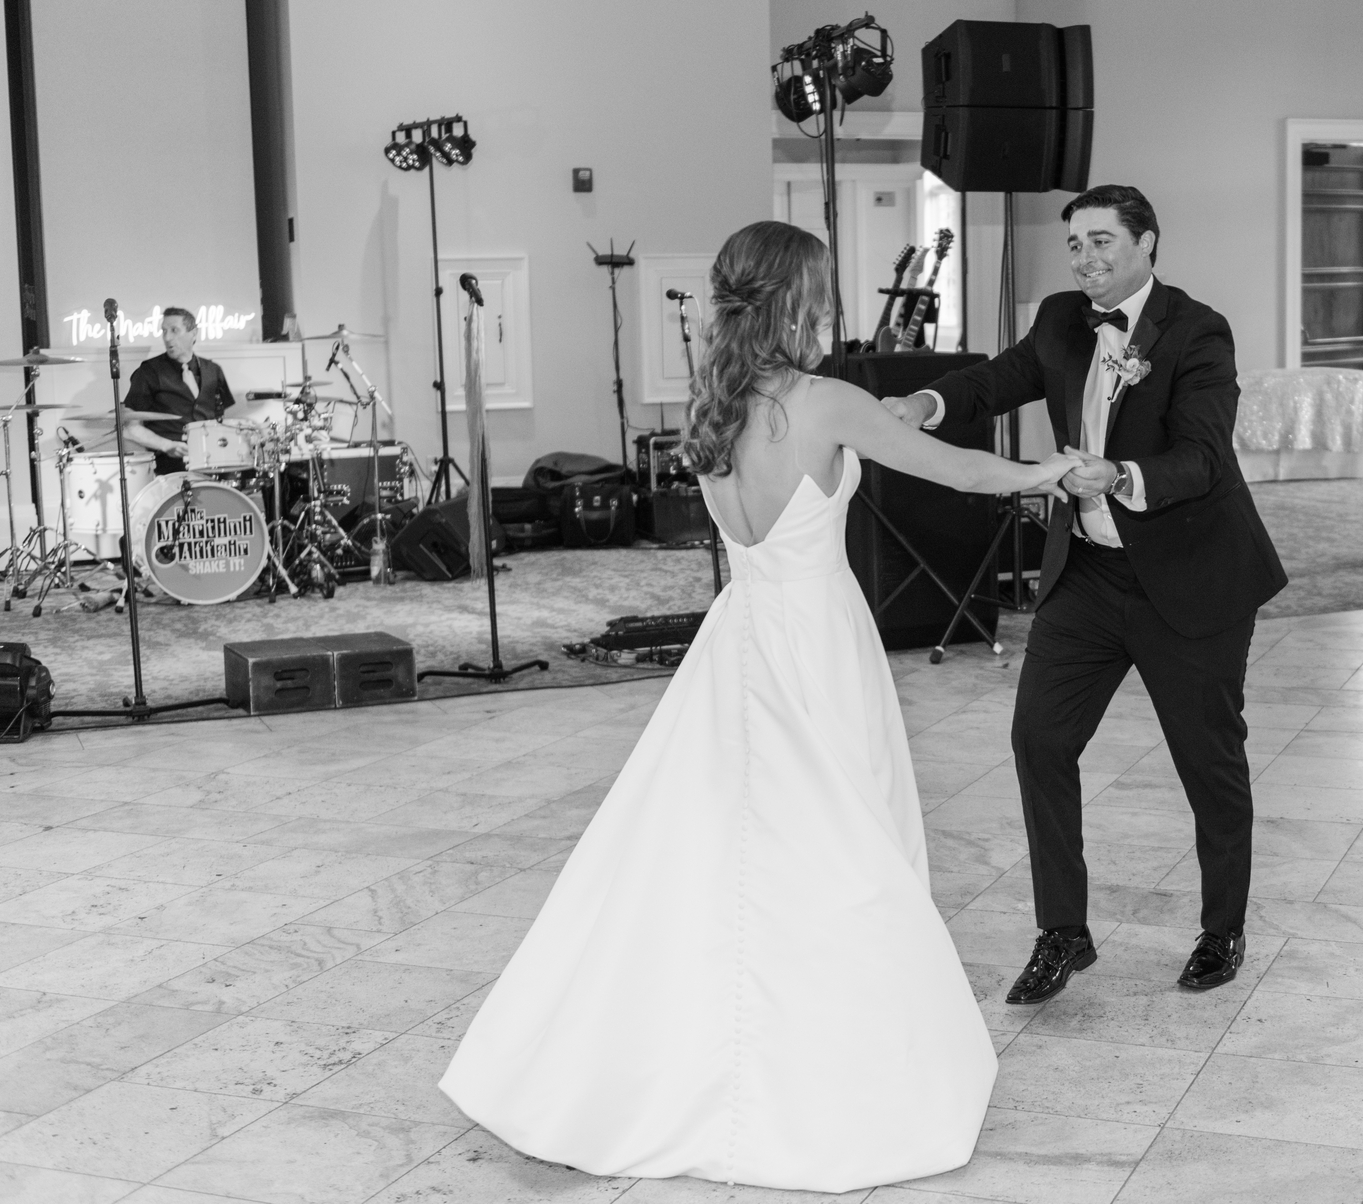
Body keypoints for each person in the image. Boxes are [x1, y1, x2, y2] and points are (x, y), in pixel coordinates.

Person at [439, 221, 1077, 1192]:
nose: (831, 306)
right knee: (839, 843)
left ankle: (686, 1069)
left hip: (740, 638)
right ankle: (835, 1080)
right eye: (821, 291)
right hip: (817, 643)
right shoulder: (824, 402)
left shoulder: (712, 404)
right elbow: (958, 469)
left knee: (723, 849)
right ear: (795, 301)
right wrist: (1044, 471)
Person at [882, 184, 1286, 1003]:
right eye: (1075, 244)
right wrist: (926, 401)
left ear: (1146, 243)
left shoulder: (1198, 330)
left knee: (1207, 760)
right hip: (1091, 576)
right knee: (1039, 738)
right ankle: (1062, 932)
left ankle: (1223, 928)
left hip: (1191, 576)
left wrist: (1121, 473)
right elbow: (996, 380)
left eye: (1102, 241)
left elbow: (1203, 456)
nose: (1085, 258)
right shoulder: (1062, 319)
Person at [122, 307, 234, 474]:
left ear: (193, 333)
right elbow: (131, 428)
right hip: (168, 465)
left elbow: (221, 420)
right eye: (164, 331)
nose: (167, 338)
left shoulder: (213, 370)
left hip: (211, 459)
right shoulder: (148, 372)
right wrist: (166, 445)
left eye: (174, 330)